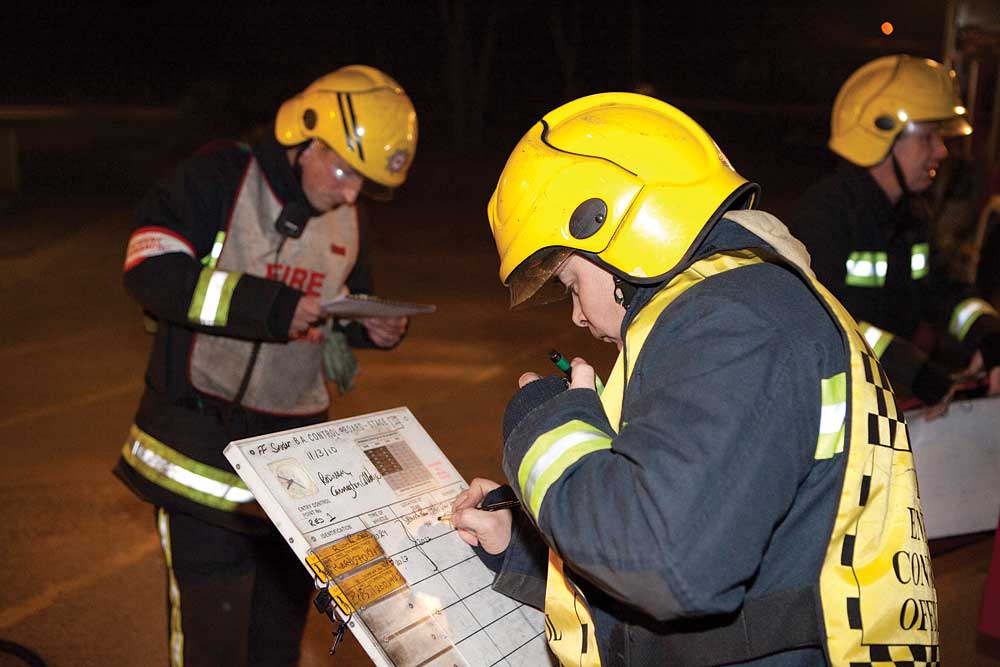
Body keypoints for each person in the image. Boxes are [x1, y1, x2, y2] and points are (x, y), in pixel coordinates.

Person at [449, 93, 938, 666]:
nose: (578, 316)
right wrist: (522, 552)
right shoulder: (737, 312)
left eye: (571, 283)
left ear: (609, 232)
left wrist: (543, 424)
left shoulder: (735, 326)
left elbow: (666, 565)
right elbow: (733, 581)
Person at [113, 65, 417, 667]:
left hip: (294, 465)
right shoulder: (220, 177)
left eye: (366, 183)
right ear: (306, 138)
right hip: (197, 451)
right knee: (214, 643)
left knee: (277, 640)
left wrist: (370, 327)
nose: (352, 193)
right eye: (344, 171)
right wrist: (268, 305)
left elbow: (335, 305)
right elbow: (149, 269)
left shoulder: (344, 213)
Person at [790, 55, 1000, 417]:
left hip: (883, 407)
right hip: (825, 415)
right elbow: (819, 319)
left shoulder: (911, 216)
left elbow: (943, 292)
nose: (941, 150)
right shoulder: (824, 218)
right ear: (880, 133)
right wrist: (909, 367)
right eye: (929, 136)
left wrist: (988, 335)